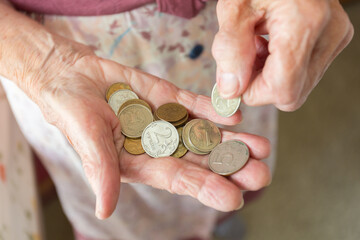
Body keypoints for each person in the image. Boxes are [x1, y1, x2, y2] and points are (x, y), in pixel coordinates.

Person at [0, 0, 353, 239]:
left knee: (229, 159)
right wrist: (45, 65)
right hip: (52, 52)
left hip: (226, 30)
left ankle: (218, 223)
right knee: (126, 208)